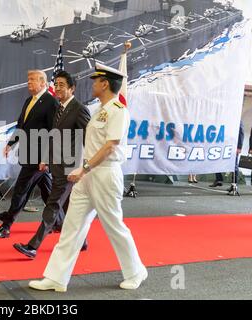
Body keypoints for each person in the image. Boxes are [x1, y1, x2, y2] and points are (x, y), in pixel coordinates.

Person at [28, 64, 147, 292]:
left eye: (96, 81)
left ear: (104, 84)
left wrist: (83, 168)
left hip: (104, 175)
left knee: (114, 226)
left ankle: (136, 271)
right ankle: (56, 277)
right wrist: (83, 169)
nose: (92, 85)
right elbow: (91, 145)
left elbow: (111, 146)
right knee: (72, 227)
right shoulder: (100, 110)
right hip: (88, 175)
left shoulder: (118, 110)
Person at [13, 71, 91, 259]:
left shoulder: (79, 109)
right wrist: (46, 159)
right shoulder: (59, 108)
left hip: (70, 167)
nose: (57, 88)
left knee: (53, 204)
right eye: (55, 84)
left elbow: (89, 140)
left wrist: (84, 167)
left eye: (61, 85)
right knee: (65, 206)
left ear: (72, 88)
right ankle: (82, 241)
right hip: (56, 165)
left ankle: (33, 246)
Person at [0, 70, 59, 239]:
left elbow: (54, 133)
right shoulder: (29, 101)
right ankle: (60, 222)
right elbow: (21, 126)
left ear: (43, 83)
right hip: (28, 153)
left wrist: (47, 158)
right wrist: (11, 143)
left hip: (39, 157)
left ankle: (6, 225)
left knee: (21, 189)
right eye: (28, 79)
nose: (29, 82)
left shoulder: (51, 102)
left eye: (32, 80)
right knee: (47, 192)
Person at [209, 121, 244, 189]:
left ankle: (234, 184)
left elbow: (241, 133)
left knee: (234, 165)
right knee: (216, 161)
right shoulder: (225, 117)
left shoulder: (238, 119)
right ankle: (219, 179)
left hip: (233, 146)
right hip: (222, 144)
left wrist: (239, 147)